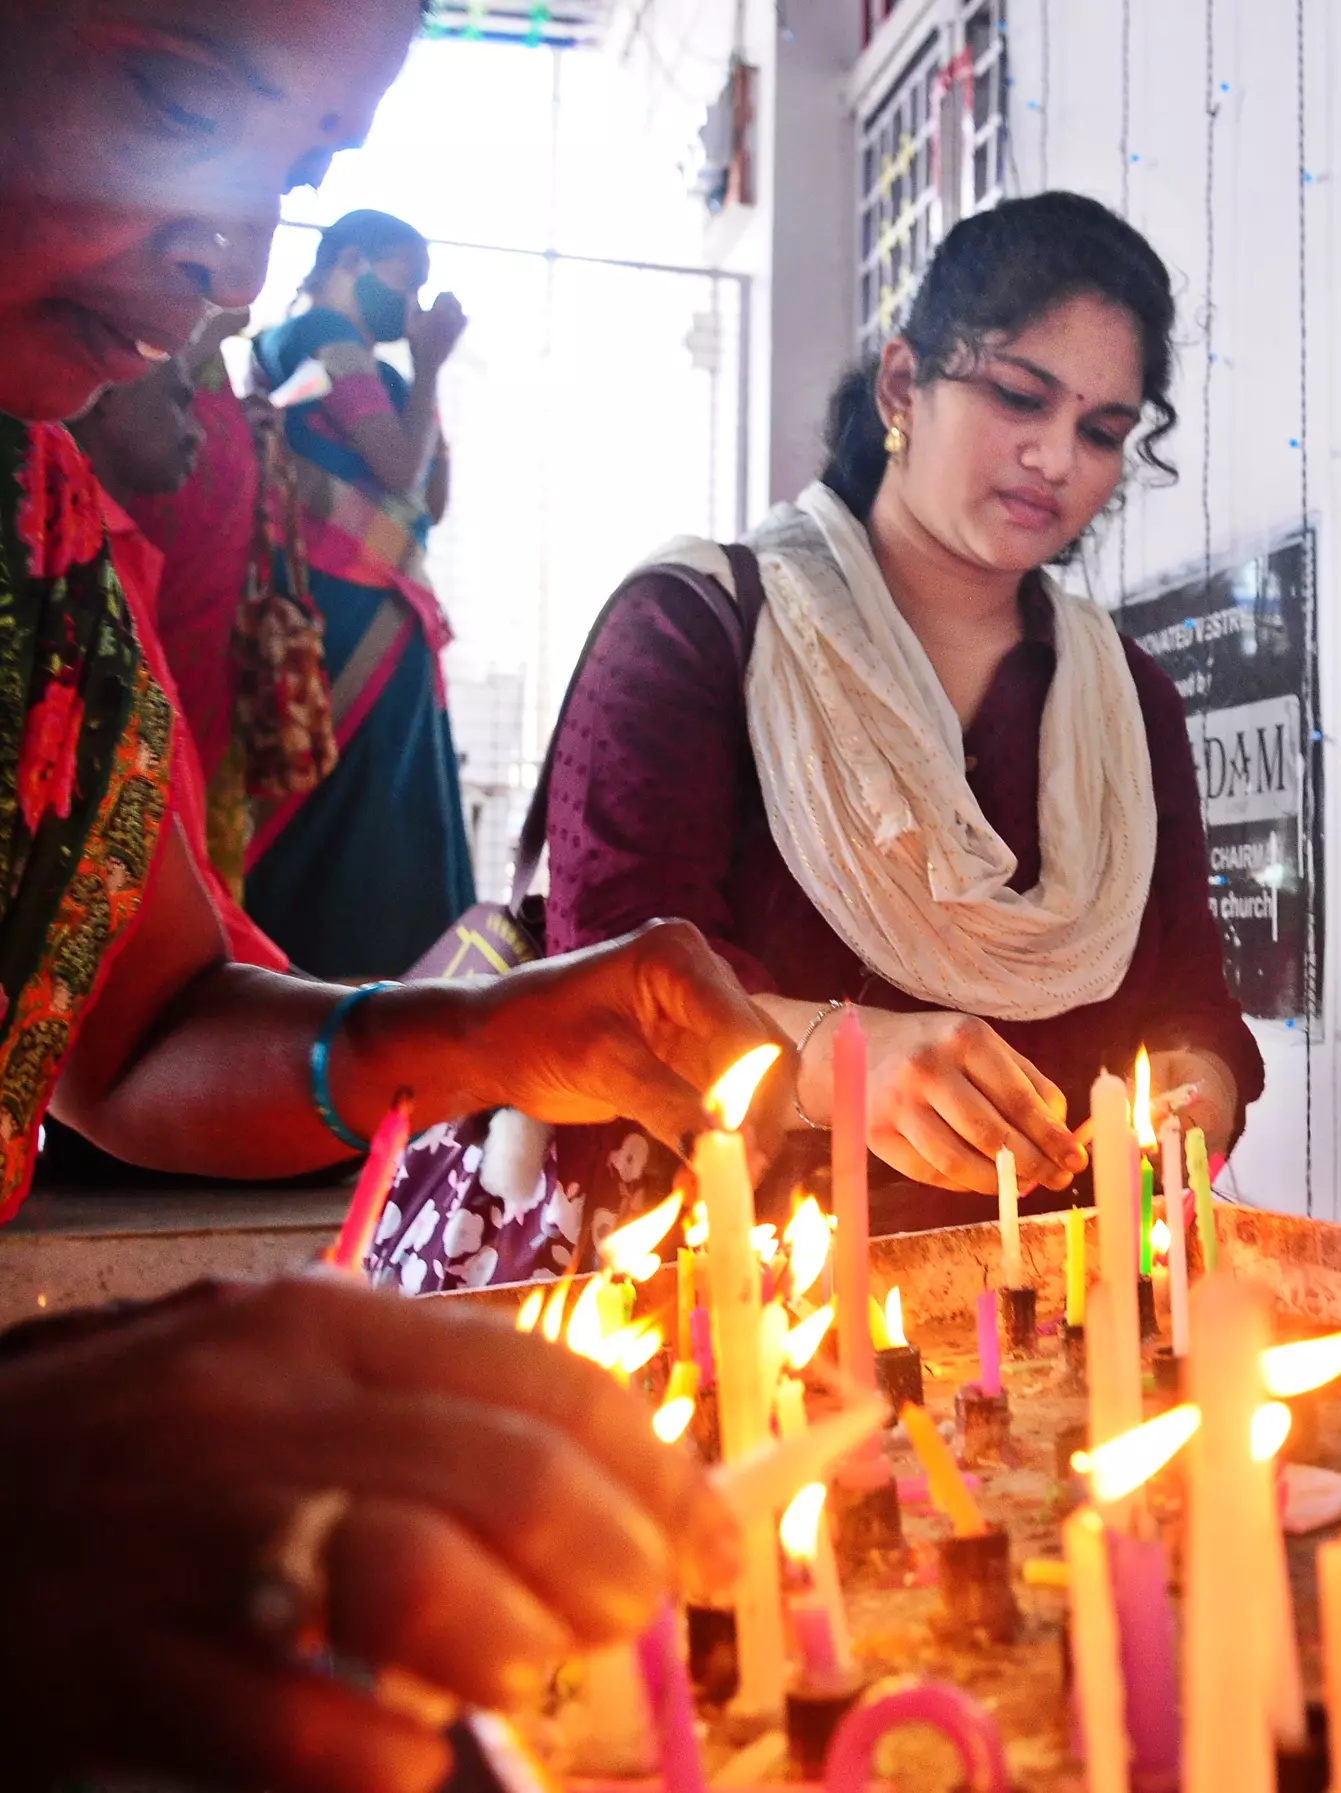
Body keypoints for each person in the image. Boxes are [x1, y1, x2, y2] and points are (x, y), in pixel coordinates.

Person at [0, 3, 788, 1785]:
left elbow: (135, 1029)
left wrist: (490, 1029)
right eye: (179, 94)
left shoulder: (40, 545)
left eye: (292, 172)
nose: (230, 251)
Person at [391, 193, 1266, 1285]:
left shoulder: (1125, 700)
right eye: (1018, 397)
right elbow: (609, 981)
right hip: (723, 1284)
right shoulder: (692, 628)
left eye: (1102, 431)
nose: (1055, 458)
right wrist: (840, 1058)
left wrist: (1190, 1089)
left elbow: (1193, 1000)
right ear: (904, 384)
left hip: (1049, 1300)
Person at [242, 208, 473, 979]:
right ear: (347, 259)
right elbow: (402, 467)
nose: (412, 302)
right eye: (407, 279)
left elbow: (430, 500)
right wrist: (432, 370)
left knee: (385, 822)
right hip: (345, 616)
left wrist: (424, 377)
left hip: (386, 605)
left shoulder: (382, 371)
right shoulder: (315, 340)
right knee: (355, 825)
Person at [67, 329, 288, 971]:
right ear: (106, 393)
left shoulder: (118, 559)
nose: (196, 434)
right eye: (179, 403)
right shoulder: (77, 577)